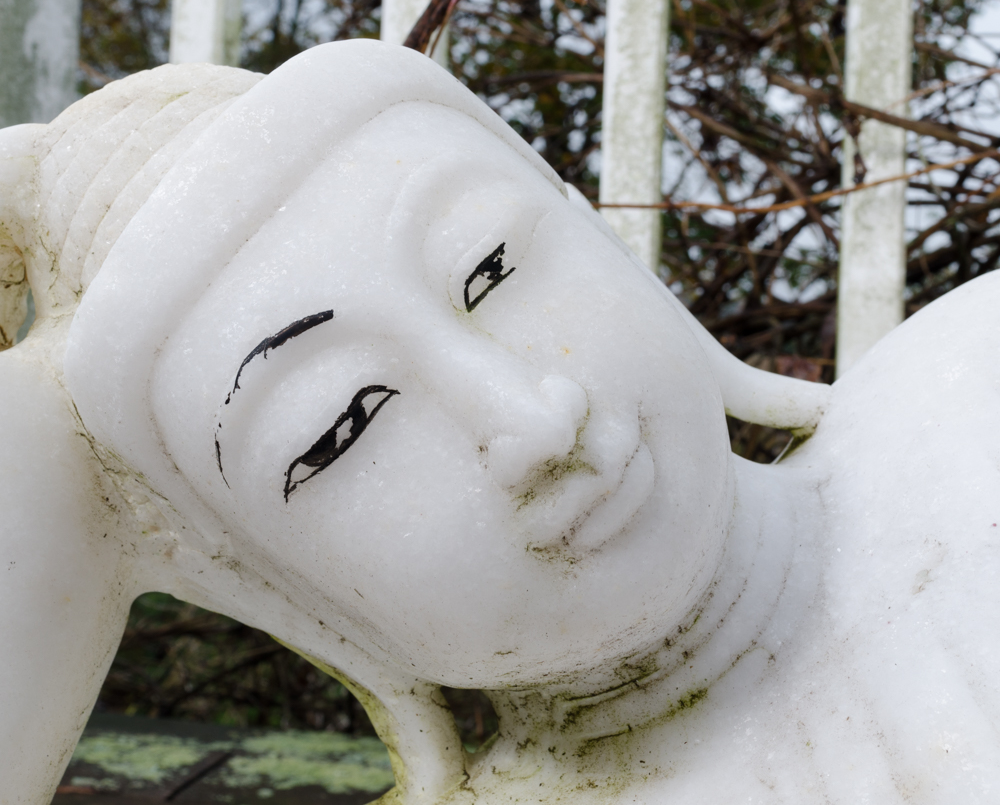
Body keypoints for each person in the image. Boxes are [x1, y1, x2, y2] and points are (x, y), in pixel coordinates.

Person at [3, 40, 993, 805]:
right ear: (269, 581)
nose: (531, 417)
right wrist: (50, 468)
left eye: (491, 268)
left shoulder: (970, 389)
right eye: (339, 427)